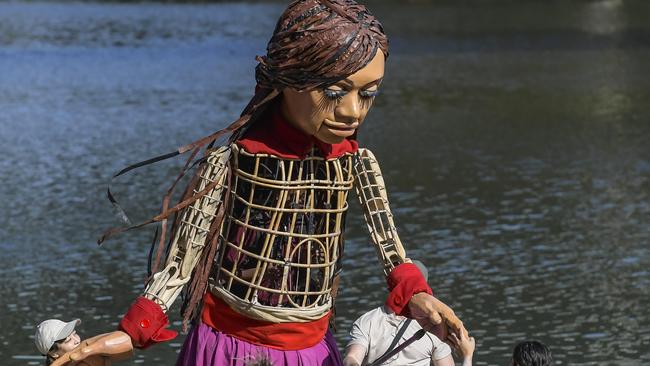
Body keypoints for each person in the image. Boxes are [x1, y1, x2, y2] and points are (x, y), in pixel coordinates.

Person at [92, 0, 468, 365]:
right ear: (289, 79)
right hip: (228, 348)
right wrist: (133, 330)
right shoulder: (233, 161)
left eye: (368, 94)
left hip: (312, 350)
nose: (353, 111)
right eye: (334, 92)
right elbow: (180, 262)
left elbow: (390, 249)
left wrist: (417, 294)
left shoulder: (356, 164)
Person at [344, 261, 475, 366]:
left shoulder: (368, 321)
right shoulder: (435, 325)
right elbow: (352, 358)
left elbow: (352, 357)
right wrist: (467, 356)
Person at [35, 319, 132, 366]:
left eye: (75, 334)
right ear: (54, 353)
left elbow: (127, 342)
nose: (77, 340)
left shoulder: (86, 353)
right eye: (68, 340)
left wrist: (85, 350)